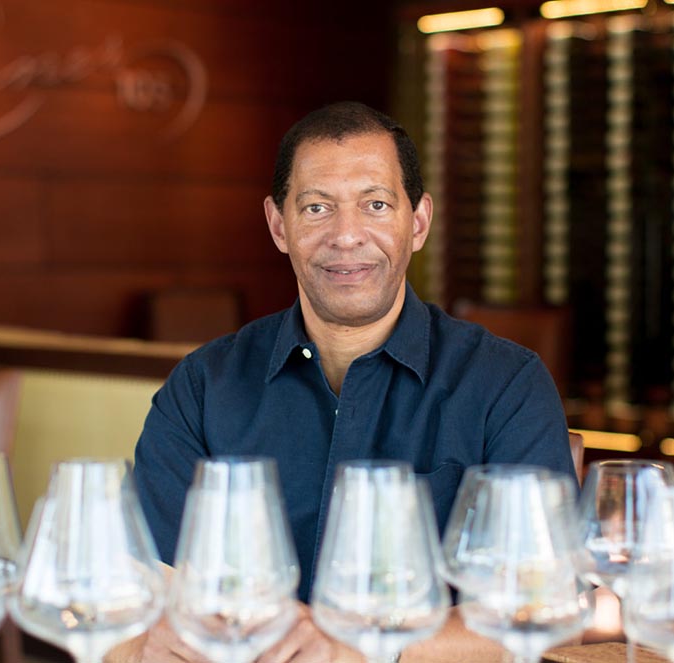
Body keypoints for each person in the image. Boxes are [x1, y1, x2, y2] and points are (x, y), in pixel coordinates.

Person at [108, 101, 576, 663]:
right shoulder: (203, 386)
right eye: (316, 208)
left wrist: (358, 648)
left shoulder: (506, 384)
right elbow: (139, 599)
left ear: (418, 222)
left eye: (375, 204)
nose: (346, 235)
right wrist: (142, 642)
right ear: (280, 226)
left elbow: (544, 610)